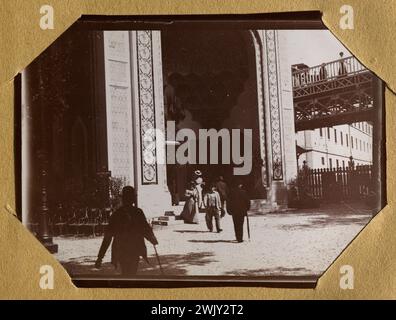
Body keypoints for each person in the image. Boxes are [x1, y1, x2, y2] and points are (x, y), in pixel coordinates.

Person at [94, 186, 158, 276]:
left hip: (122, 249)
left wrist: (100, 257)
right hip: (133, 248)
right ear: (133, 199)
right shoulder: (137, 212)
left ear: (123, 199)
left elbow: (107, 237)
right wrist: (152, 239)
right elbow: (146, 229)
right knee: (131, 273)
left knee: (126, 272)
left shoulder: (117, 214)